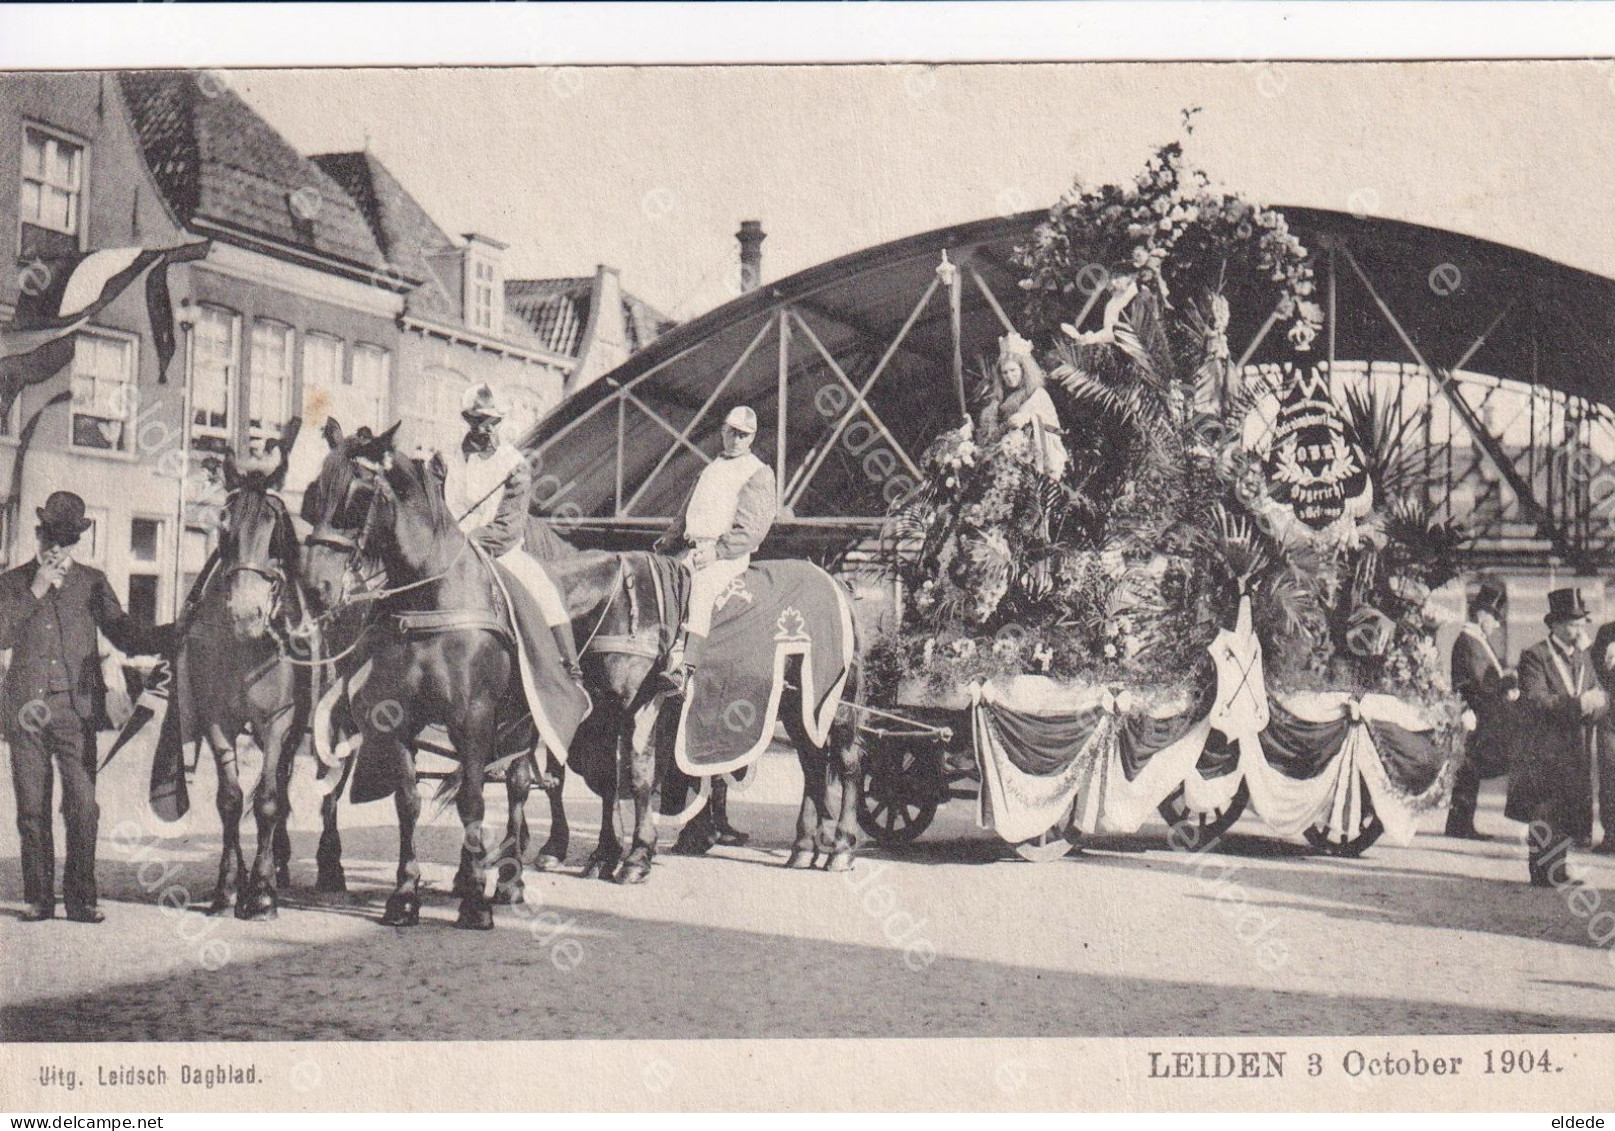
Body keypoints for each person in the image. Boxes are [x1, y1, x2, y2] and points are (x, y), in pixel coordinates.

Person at [0, 492, 174, 922]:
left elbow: (126, 636)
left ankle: (80, 899)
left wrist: (176, 632)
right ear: (38, 535)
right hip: (25, 711)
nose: (56, 548)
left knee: (83, 806)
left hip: (75, 713)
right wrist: (36, 590)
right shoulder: (12, 582)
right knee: (32, 809)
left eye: (66, 539)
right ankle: (38, 898)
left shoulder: (92, 583)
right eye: (50, 537)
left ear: (76, 541)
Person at [444, 383, 582, 682]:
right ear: (468, 420)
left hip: (499, 551)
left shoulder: (514, 465)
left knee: (543, 589)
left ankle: (569, 668)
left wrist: (469, 541)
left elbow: (509, 526)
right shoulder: (450, 458)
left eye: (491, 422)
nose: (485, 429)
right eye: (477, 421)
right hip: (452, 549)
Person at [653, 405, 777, 696]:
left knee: (703, 586)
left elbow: (751, 530)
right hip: (694, 547)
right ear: (723, 430)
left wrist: (717, 552)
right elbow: (686, 512)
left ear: (753, 437)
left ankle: (686, 667)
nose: (737, 439)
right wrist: (668, 540)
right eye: (732, 432)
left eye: (744, 435)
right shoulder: (711, 468)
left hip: (726, 556)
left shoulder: (757, 472)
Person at [1508, 587, 1606, 886]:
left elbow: (1599, 695)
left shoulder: (1583, 658)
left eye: (1580, 624)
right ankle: (1540, 871)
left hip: (1575, 746)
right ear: (1556, 625)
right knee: (1545, 808)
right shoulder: (1535, 656)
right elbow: (1536, 701)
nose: (1579, 630)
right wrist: (1579, 704)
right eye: (1573, 624)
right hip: (1544, 747)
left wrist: (1595, 707)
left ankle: (1559, 867)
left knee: (1567, 807)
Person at [1446, 576, 1516, 840]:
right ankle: (1459, 824)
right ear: (1482, 614)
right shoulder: (1469, 641)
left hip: (1478, 712)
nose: (1497, 625)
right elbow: (1477, 682)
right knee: (1470, 769)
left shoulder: (1476, 640)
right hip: (1474, 713)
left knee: (1470, 770)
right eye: (1495, 619)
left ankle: (1461, 823)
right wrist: (1504, 684)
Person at [979, 332, 1066, 480]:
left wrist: (1028, 418)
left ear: (1023, 370)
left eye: (1013, 370)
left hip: (1032, 460)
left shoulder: (1037, 394)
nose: (1009, 376)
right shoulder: (998, 401)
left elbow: (1054, 430)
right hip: (1003, 464)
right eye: (1004, 372)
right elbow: (990, 437)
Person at [1588, 603, 1615, 855]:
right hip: (1610, 720)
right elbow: (1591, 670)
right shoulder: (1606, 633)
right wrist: (1607, 667)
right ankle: (1611, 835)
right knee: (1609, 777)